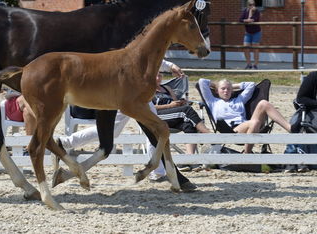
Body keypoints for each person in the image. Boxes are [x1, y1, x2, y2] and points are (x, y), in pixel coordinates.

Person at [57, 60, 196, 183]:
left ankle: (158, 172)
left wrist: (169, 65)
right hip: (129, 92)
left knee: (149, 130)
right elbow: (141, 55)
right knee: (137, 130)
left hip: (138, 92)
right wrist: (168, 65)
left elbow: (149, 52)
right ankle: (65, 142)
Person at [198, 78, 291, 153]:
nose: (226, 91)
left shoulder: (239, 100)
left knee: (264, 103)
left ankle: (291, 128)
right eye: (223, 89)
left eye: (228, 89)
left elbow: (251, 84)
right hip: (231, 130)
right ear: (217, 91)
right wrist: (216, 85)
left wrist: (232, 86)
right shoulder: (213, 101)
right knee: (254, 123)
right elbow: (202, 81)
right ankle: (246, 154)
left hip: (249, 126)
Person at [152, 72, 211, 174]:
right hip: (158, 117)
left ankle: (189, 160)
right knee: (186, 111)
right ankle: (209, 135)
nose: (158, 78)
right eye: (155, 75)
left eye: (160, 75)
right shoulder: (147, 89)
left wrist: (181, 102)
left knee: (188, 124)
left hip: (174, 115)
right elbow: (149, 108)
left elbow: (176, 102)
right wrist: (169, 106)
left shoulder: (167, 88)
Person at [284, 71, 317, 173]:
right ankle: (294, 158)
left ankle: (295, 158)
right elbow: (301, 98)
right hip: (313, 111)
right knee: (299, 122)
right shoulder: (314, 76)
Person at [239, 0, 261, 69]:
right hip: (248, 33)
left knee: (255, 48)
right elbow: (240, 20)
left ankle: (255, 64)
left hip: (256, 32)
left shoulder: (257, 11)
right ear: (247, 5)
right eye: (250, 5)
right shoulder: (245, 11)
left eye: (253, 4)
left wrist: (251, 11)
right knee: (245, 48)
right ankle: (249, 64)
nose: (252, 6)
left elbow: (252, 19)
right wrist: (246, 20)